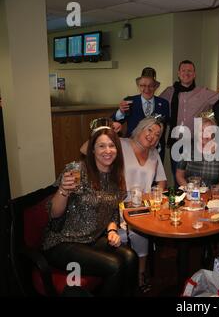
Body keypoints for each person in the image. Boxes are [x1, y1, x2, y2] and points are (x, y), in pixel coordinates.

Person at [42, 128, 138, 296]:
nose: (107, 151)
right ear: (92, 150)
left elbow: (113, 212)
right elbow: (54, 214)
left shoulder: (116, 176)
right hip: (63, 242)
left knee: (130, 257)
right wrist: (63, 190)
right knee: (114, 265)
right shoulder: (78, 170)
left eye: (111, 145)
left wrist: (112, 230)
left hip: (91, 240)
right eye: (101, 146)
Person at [80, 117, 166, 292]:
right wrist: (106, 130)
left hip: (142, 208)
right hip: (115, 205)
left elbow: (162, 181)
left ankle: (140, 274)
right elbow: (84, 150)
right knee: (125, 236)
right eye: (149, 130)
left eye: (157, 135)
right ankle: (119, 274)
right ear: (140, 129)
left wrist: (152, 195)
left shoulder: (154, 154)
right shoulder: (121, 144)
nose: (152, 136)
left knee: (142, 230)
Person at [159, 60, 219, 181]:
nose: (186, 73)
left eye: (190, 71)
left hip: (195, 143)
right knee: (178, 177)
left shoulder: (204, 93)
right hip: (176, 143)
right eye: (183, 70)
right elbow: (157, 106)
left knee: (194, 178)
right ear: (178, 73)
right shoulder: (169, 92)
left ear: (194, 74)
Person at [112, 70, 169, 162]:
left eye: (150, 85)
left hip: (155, 150)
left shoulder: (163, 103)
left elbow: (165, 125)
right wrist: (121, 111)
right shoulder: (129, 101)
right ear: (138, 86)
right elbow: (114, 120)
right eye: (143, 85)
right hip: (132, 149)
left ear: (155, 87)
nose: (146, 89)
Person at [176, 116, 219, 189]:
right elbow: (179, 175)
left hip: (212, 196)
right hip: (190, 194)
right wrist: (190, 189)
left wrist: (215, 190)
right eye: (201, 130)